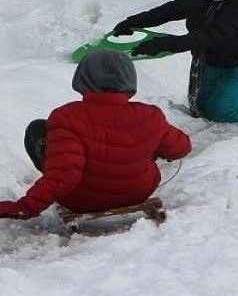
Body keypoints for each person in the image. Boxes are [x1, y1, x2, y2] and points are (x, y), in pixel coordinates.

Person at [0, 50, 191, 220]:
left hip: (83, 200)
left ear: (83, 78)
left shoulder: (67, 117)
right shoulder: (150, 115)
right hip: (138, 192)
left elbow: (64, 175)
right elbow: (181, 148)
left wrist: (25, 207)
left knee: (38, 129)